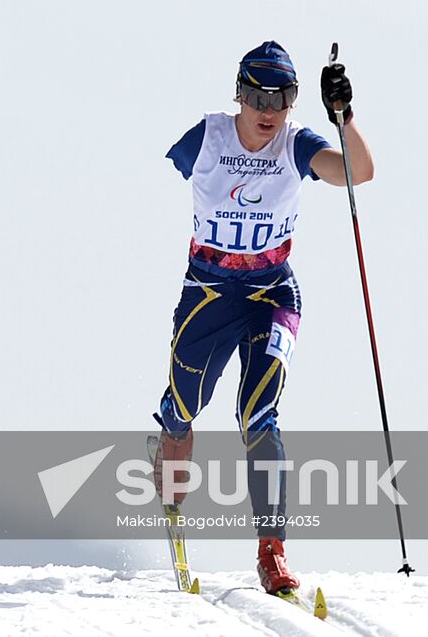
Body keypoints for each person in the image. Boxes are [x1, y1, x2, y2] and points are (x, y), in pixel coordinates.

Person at [152, 41, 373, 597]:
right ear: (238, 95)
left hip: (273, 292)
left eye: (281, 97)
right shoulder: (206, 138)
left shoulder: (297, 144)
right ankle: (172, 478)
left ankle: (271, 552)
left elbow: (359, 173)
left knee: (260, 416)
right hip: (208, 292)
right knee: (182, 409)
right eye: (255, 95)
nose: (267, 108)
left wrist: (344, 118)